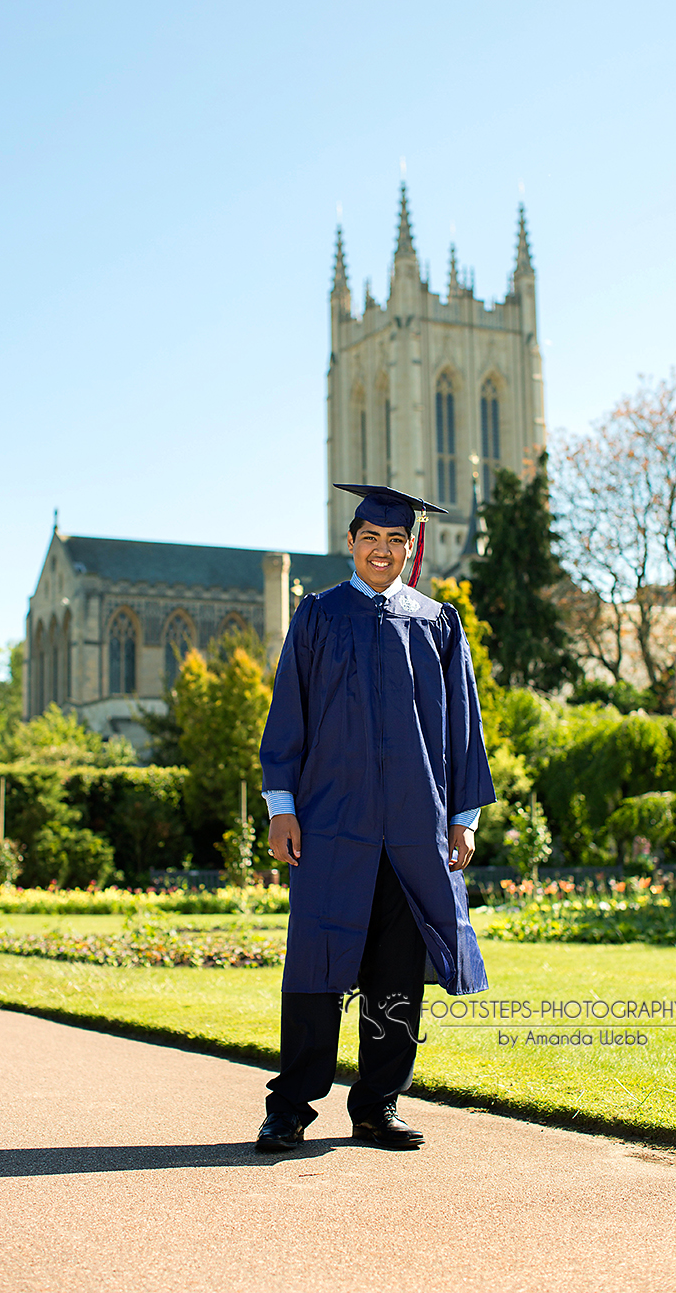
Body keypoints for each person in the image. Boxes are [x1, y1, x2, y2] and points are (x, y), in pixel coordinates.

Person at [255, 484, 495, 1153]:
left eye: (395, 541)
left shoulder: (438, 622)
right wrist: (282, 807)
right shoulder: (319, 615)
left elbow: (462, 730)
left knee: (397, 970)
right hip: (332, 822)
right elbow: (288, 718)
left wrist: (463, 817)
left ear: (410, 548)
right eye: (370, 538)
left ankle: (377, 1106)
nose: (382, 550)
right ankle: (291, 1109)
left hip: (416, 824)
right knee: (315, 965)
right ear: (352, 542)